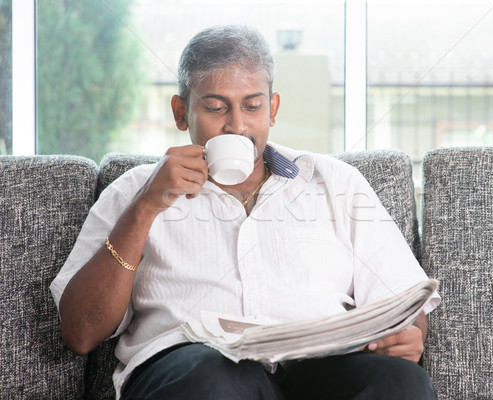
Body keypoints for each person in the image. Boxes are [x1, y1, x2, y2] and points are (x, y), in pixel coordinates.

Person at [50, 25, 440, 399]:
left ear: (272, 109)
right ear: (181, 112)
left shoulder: (336, 182)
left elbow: (403, 302)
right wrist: (144, 210)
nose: (237, 125)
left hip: (319, 368)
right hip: (195, 372)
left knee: (401, 382)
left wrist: (406, 336)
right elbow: (81, 332)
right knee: (218, 378)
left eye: (252, 106)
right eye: (217, 108)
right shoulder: (136, 191)